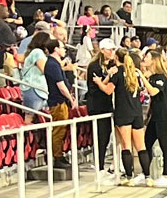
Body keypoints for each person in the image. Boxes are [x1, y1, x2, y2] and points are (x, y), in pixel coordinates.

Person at [112, 49, 146, 185]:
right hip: (137, 112)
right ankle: (147, 175)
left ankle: (129, 176)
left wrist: (99, 81)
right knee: (141, 146)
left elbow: (108, 90)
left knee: (126, 146)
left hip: (124, 112)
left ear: (116, 57)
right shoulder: (135, 74)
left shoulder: (118, 73)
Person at [84, 39, 118, 179]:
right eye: (109, 50)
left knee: (106, 136)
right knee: (101, 136)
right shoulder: (94, 66)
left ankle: (102, 164)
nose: (111, 52)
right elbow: (99, 86)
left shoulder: (108, 65)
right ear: (103, 50)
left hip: (106, 104)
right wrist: (108, 75)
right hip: (97, 105)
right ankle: (99, 166)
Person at [142, 48, 167, 188]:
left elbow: (154, 92)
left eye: (147, 57)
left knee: (164, 145)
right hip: (156, 116)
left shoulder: (161, 77)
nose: (145, 59)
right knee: (146, 143)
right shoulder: (153, 77)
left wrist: (142, 76)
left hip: (165, 116)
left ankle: (165, 175)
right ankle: (146, 174)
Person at [43, 36, 76, 174]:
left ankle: (59, 154)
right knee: (58, 130)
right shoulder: (52, 64)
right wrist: (70, 98)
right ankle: (56, 156)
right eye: (62, 48)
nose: (64, 50)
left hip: (61, 101)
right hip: (57, 101)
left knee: (62, 130)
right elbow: (61, 86)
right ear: (56, 49)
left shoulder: (55, 63)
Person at [15, 32, 50, 113]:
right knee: (30, 115)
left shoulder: (35, 52)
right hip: (33, 89)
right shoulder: (37, 52)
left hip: (38, 89)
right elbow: (44, 69)